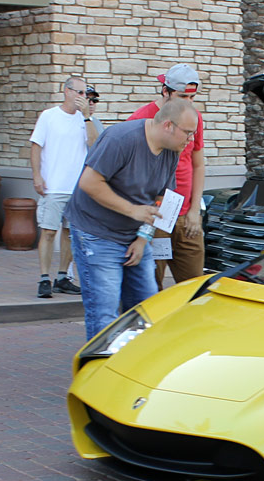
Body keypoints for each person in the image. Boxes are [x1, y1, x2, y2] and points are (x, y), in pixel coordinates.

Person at [66, 98, 198, 341]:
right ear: (168, 125)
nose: (191, 140)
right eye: (188, 133)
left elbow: (160, 200)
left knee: (145, 309)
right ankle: (101, 372)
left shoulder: (171, 152)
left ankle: (133, 366)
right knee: (104, 315)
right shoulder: (120, 139)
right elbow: (88, 182)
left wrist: (142, 238)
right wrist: (132, 210)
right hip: (97, 234)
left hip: (134, 235)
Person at [128, 63, 204, 288]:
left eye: (192, 97)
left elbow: (198, 164)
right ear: (165, 91)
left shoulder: (193, 118)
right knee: (151, 285)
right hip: (155, 215)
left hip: (185, 215)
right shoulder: (141, 119)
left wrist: (194, 210)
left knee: (194, 287)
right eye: (182, 96)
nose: (188, 103)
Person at [30, 77, 98, 298]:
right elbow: (36, 146)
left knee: (70, 233)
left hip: (77, 188)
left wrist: (87, 116)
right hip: (54, 186)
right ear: (66, 91)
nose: (82, 98)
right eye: (78, 93)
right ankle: (43, 278)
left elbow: (95, 145)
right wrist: (37, 176)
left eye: (84, 94)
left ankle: (62, 277)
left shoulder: (86, 120)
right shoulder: (49, 116)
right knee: (49, 231)